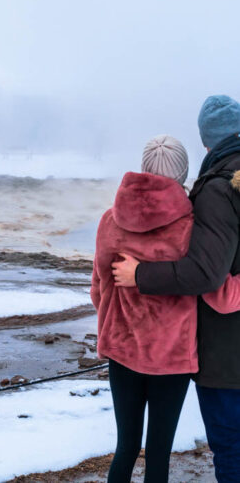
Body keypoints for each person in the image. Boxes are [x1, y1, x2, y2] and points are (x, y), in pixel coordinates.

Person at [92, 135, 240, 483]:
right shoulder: (190, 227)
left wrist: (113, 325)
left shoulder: (110, 220)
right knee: (158, 451)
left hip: (122, 350)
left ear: (144, 168)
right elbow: (212, 291)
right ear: (184, 174)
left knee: (126, 446)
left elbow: (100, 287)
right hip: (170, 360)